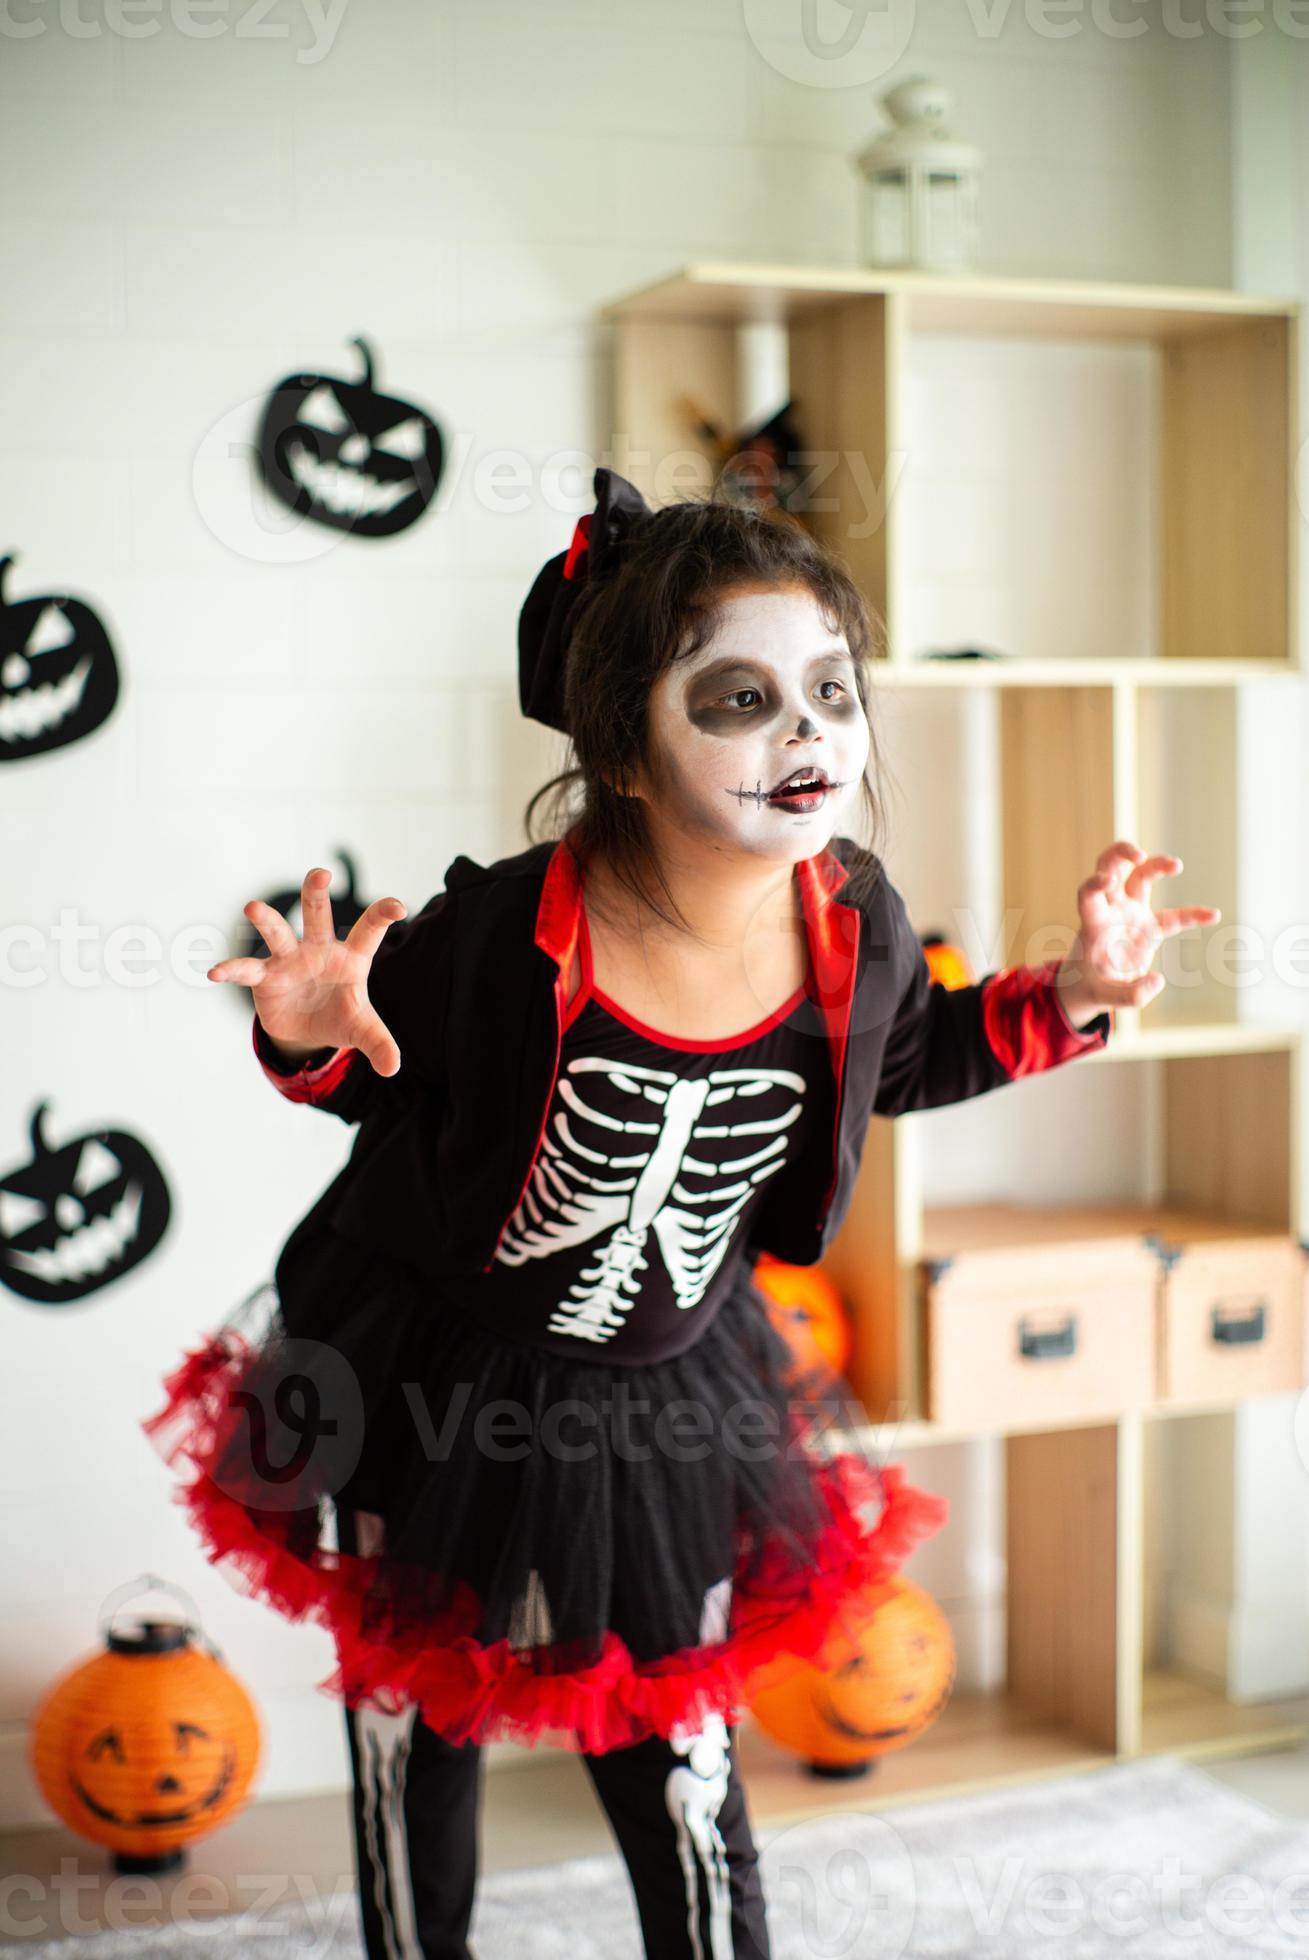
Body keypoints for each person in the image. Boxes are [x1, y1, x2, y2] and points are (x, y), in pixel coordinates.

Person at [142, 468, 1219, 1959]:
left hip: (669, 1394)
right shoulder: (506, 933)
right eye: (737, 701)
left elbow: (912, 1056)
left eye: (829, 690)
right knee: (414, 1726)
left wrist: (1079, 996)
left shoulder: (852, 921)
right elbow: (368, 1090)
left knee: (678, 1756)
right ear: (626, 756)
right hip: (439, 1370)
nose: (807, 735)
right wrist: (306, 1034)